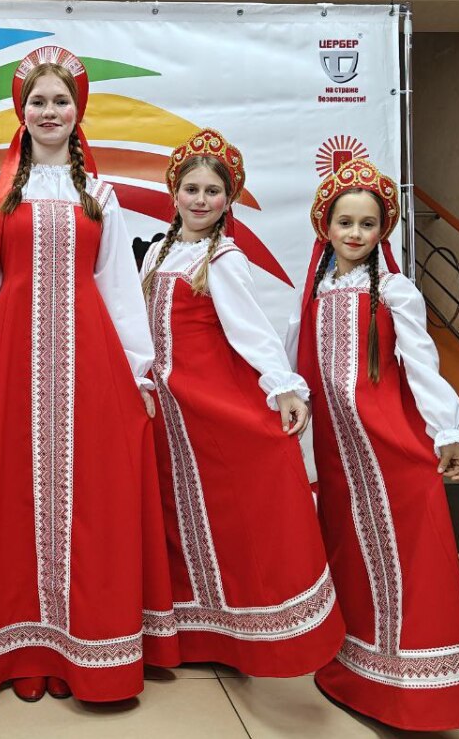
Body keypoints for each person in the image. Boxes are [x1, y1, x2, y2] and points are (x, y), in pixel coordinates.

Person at [0, 46, 176, 704]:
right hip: (9, 360)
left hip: (90, 360)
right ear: (22, 110)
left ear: (77, 109)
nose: (50, 111)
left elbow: (118, 288)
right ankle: (17, 654)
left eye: (61, 100)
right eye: (38, 100)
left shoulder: (101, 195)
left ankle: (80, 653)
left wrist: (140, 374)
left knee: (90, 498)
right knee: (9, 498)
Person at [290, 157, 459, 731]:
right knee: (352, 557)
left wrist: (445, 429)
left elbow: (422, 362)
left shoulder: (395, 290)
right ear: (325, 226)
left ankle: (416, 689)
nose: (355, 233)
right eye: (345, 222)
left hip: (388, 448)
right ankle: (357, 670)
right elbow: (298, 362)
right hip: (339, 456)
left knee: (407, 558)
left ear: (383, 230)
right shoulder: (317, 289)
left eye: (368, 224)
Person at [141, 129, 344, 676]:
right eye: (191, 189)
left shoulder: (223, 257)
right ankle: (186, 631)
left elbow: (251, 330)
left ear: (228, 199)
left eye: (213, 191)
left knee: (225, 513)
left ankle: (239, 630)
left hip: (207, 402)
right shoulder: (158, 252)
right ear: (174, 192)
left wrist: (282, 385)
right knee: (177, 517)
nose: (201, 200)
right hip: (166, 409)